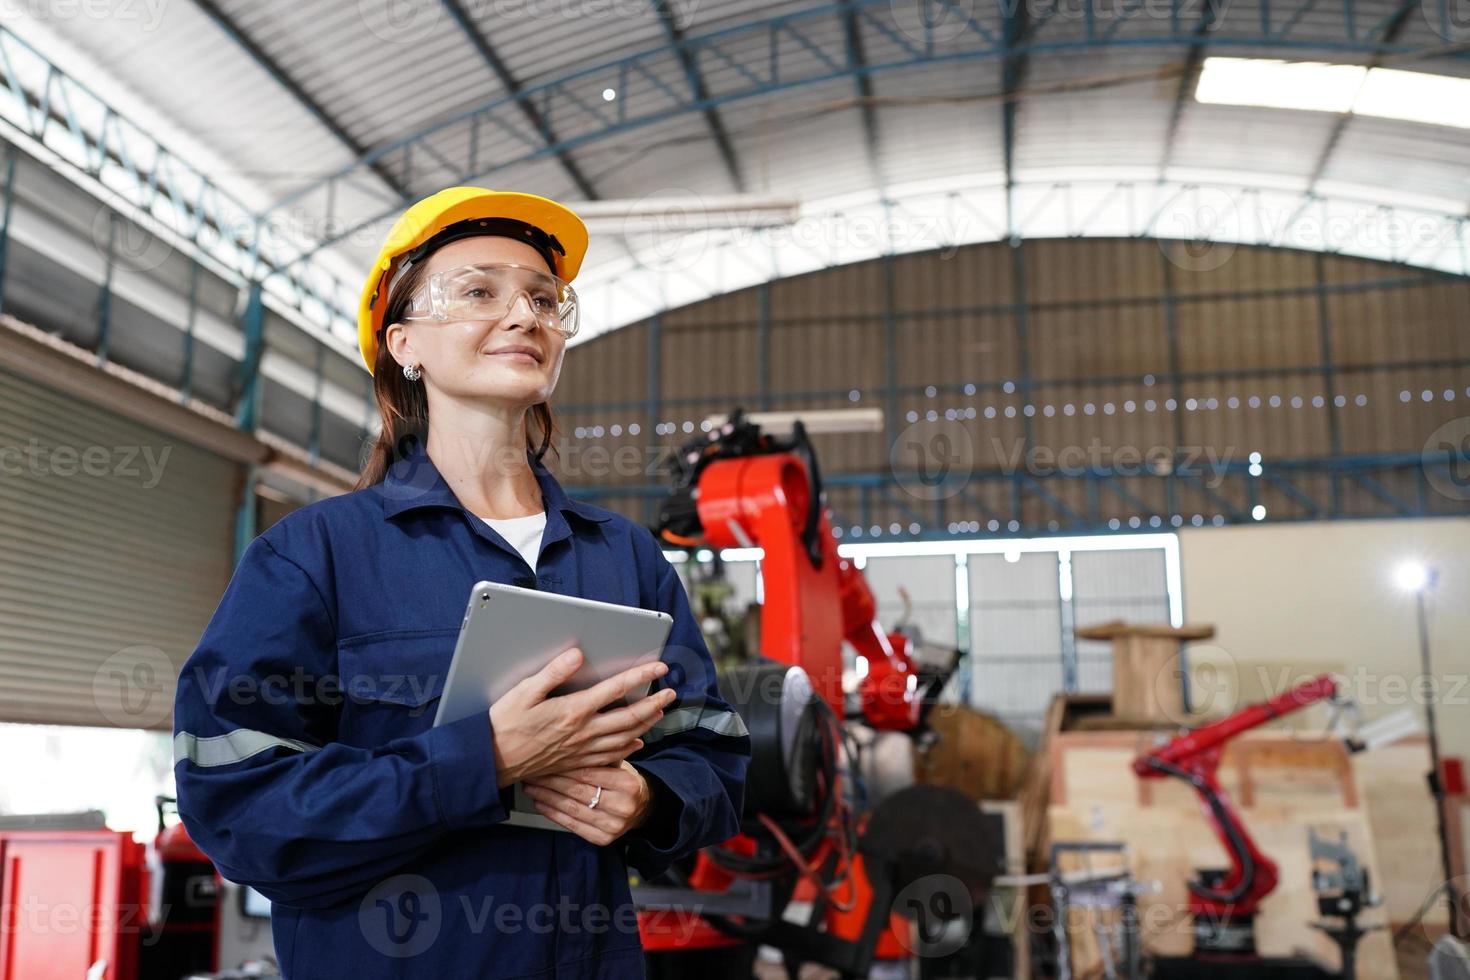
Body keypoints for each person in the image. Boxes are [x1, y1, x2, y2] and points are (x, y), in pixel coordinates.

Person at [172, 187, 751, 978]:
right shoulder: (314, 556)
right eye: (480, 291)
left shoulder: (626, 558)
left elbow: (713, 755)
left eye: (544, 300)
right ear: (403, 341)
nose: (524, 316)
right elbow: (238, 805)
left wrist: (651, 800)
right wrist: (483, 759)